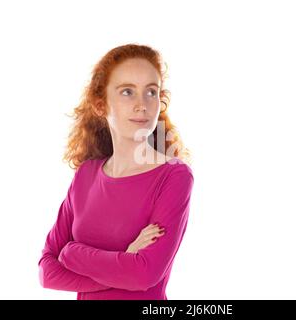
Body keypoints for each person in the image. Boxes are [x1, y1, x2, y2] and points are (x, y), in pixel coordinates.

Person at [37, 43, 194, 300]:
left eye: (151, 92)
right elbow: (47, 272)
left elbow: (143, 275)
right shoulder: (86, 175)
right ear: (101, 105)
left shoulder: (174, 177)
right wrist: (123, 260)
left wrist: (73, 253)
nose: (142, 104)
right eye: (127, 92)